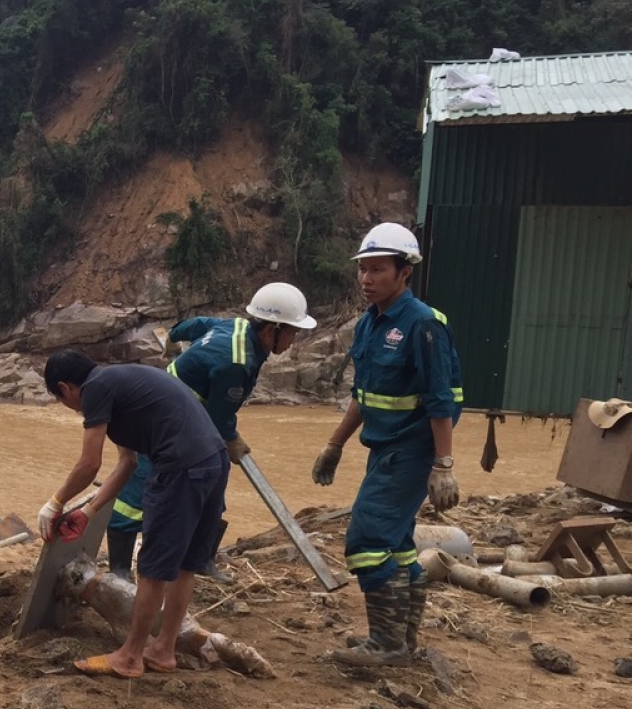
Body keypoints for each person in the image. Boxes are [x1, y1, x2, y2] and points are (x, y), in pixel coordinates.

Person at [312, 223, 463, 666]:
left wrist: (444, 464)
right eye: (363, 269)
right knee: (396, 545)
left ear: (405, 273)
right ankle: (402, 642)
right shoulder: (369, 324)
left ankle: (388, 645)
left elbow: (440, 400)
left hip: (412, 452)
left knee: (366, 538)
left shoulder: (424, 326)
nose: (367, 279)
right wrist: (335, 443)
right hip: (383, 449)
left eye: (378, 270)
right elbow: (365, 393)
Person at [106, 282, 316, 583]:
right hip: (162, 419)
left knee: (213, 479)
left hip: (188, 416)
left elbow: (196, 325)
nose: (294, 339)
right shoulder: (237, 364)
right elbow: (219, 416)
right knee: (137, 489)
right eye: (293, 332)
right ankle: (120, 569)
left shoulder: (238, 327)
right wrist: (232, 440)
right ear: (272, 329)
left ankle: (202, 559)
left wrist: (174, 338)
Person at [41, 350, 229, 679]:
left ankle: (130, 657)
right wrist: (89, 510)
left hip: (180, 467)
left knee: (153, 569)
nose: (71, 409)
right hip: (213, 461)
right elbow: (127, 463)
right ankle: (163, 650)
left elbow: (90, 464)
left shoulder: (95, 388)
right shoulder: (120, 381)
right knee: (186, 563)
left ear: (65, 388)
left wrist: (55, 502)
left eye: (62, 400)